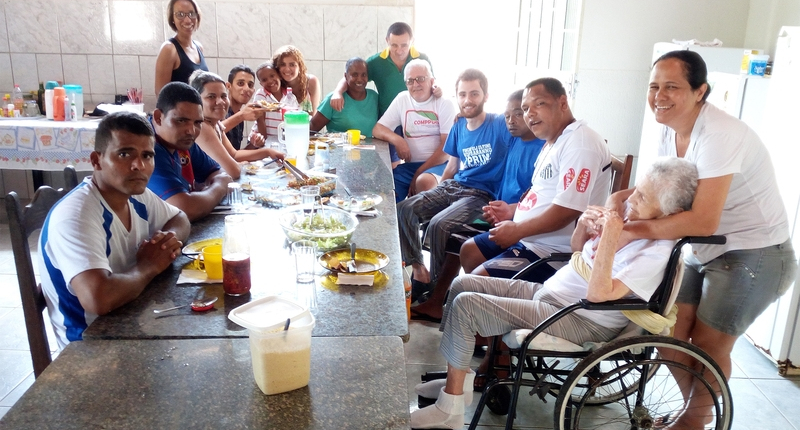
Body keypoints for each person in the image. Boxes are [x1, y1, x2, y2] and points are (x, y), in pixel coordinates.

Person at [410, 157, 700, 429]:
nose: (631, 200)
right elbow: (577, 250)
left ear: (669, 213)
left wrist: (611, 237)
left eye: (642, 198)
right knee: (462, 284)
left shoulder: (655, 252)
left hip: (582, 319)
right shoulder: (634, 223)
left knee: (467, 305)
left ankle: (451, 410)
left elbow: (599, 294)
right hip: (553, 297)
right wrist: (584, 226)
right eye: (636, 191)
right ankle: (458, 382)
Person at [606, 50, 797, 429]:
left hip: (755, 253)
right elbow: (655, 190)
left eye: (672, 87)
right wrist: (616, 201)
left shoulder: (720, 134)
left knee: (710, 346)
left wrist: (629, 231)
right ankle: (694, 414)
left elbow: (704, 219)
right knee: (668, 333)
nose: (659, 96)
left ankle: (692, 422)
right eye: (654, 86)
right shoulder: (668, 128)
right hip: (702, 247)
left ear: (700, 91)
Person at [39, 112, 192, 349]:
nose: (139, 165)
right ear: (97, 160)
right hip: (90, 348)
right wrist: (149, 265)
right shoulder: (76, 216)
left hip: (133, 319)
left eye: (147, 155)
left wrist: (167, 241)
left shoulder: (136, 196)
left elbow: (180, 218)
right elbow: (98, 299)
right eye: (124, 154)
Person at [410, 89, 544, 321]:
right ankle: (438, 299)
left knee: (455, 233)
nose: (512, 120)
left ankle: (460, 304)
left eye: (519, 113)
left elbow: (539, 197)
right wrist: (467, 115)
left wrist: (510, 212)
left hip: (517, 218)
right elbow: (489, 121)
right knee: (450, 230)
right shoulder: (513, 139)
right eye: (508, 116)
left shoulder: (542, 148)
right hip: (497, 208)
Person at [459, 78, 611, 281]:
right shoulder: (552, 141)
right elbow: (543, 193)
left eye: (539, 104)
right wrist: (511, 210)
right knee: (469, 250)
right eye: (525, 108)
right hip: (528, 237)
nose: (530, 114)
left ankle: (491, 297)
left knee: (472, 282)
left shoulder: (580, 143)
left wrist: (518, 230)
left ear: (562, 103)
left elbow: (568, 210)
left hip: (551, 251)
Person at [397, 69, 510, 298]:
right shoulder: (458, 126)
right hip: (454, 187)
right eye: (462, 94)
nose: (468, 100)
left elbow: (519, 118)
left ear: (486, 96)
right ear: (456, 96)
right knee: (404, 209)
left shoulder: (498, 123)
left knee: (439, 224)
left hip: (480, 195)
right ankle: (420, 271)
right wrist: (438, 193)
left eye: (474, 94)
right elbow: (451, 166)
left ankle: (437, 291)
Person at [373, 59, 457, 201]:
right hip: (410, 167)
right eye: (410, 81)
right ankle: (399, 215)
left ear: (432, 81)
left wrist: (419, 171)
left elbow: (446, 150)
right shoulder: (402, 99)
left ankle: (428, 217)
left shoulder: (444, 103)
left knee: (424, 182)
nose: (415, 84)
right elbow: (377, 129)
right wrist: (398, 140)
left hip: (440, 165)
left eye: (421, 79)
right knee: (385, 189)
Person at [147, 81, 232, 221]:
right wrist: (218, 187)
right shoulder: (146, 149)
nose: (191, 131)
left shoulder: (182, 141)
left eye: (197, 122)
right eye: (181, 121)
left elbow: (220, 173)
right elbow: (186, 209)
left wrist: (205, 194)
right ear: (158, 118)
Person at [189, 71, 284, 179]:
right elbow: (233, 171)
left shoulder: (215, 124)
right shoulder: (202, 127)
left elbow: (234, 155)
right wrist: (240, 165)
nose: (220, 101)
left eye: (223, 96)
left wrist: (268, 152)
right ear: (197, 100)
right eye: (211, 96)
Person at [330, 22, 434, 117]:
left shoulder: (423, 59)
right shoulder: (376, 62)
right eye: (394, 45)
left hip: (418, 117)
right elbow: (352, 76)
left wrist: (437, 89)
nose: (399, 51)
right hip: (387, 119)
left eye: (404, 45)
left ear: (412, 41)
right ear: (387, 41)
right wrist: (337, 92)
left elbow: (432, 83)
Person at [310, 57, 379, 138]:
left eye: (363, 75)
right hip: (338, 146)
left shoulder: (374, 97)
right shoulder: (333, 99)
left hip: (370, 146)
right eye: (355, 75)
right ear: (346, 76)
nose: (359, 79)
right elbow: (312, 128)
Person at [155, 0, 208, 95]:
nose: (187, 20)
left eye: (191, 14)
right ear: (172, 18)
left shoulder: (199, 47)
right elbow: (161, 95)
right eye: (180, 14)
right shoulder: (169, 49)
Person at [221, 65, 268, 150]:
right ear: (228, 86)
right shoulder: (220, 110)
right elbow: (212, 133)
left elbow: (235, 154)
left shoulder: (239, 115)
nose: (246, 88)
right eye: (240, 83)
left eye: (250, 85)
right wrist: (241, 116)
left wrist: (254, 144)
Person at [273, 45, 321, 115]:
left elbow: (314, 115)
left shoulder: (311, 82)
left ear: (300, 66)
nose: (287, 69)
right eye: (282, 64)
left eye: (292, 65)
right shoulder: (275, 84)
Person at [252, 62, 285, 138]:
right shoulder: (261, 94)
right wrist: (264, 142)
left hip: (279, 140)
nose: (270, 81)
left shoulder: (289, 95)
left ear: (279, 75)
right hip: (261, 139)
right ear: (261, 84)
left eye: (272, 76)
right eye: (264, 80)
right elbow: (260, 121)